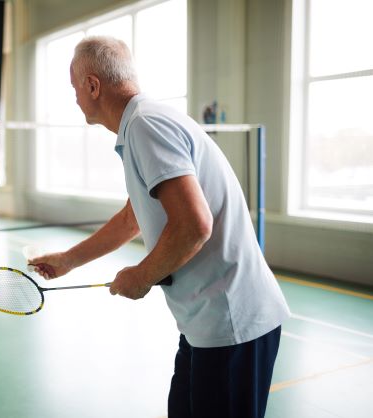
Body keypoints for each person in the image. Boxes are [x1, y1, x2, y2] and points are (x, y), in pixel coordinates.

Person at [28, 36, 290, 418]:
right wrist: (69, 259)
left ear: (93, 86)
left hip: (232, 324)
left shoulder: (146, 126)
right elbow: (131, 218)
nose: (75, 98)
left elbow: (194, 226)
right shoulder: (141, 125)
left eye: (74, 88)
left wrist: (142, 275)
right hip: (203, 325)